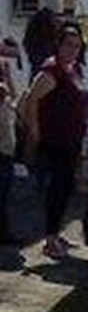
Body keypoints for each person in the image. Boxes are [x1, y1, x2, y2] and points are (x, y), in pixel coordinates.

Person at [23, 22, 88, 258]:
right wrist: (35, 132)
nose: (72, 50)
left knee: (66, 188)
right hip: (56, 140)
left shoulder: (73, 70)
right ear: (59, 45)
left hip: (72, 139)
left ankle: (56, 232)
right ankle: (50, 239)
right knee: (57, 189)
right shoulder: (51, 72)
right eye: (68, 45)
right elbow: (31, 100)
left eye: (77, 46)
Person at [0, 75, 16, 246]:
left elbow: (15, 101)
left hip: (7, 153)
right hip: (2, 154)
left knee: (4, 197)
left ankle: (4, 232)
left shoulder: (6, 104)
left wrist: (9, 77)